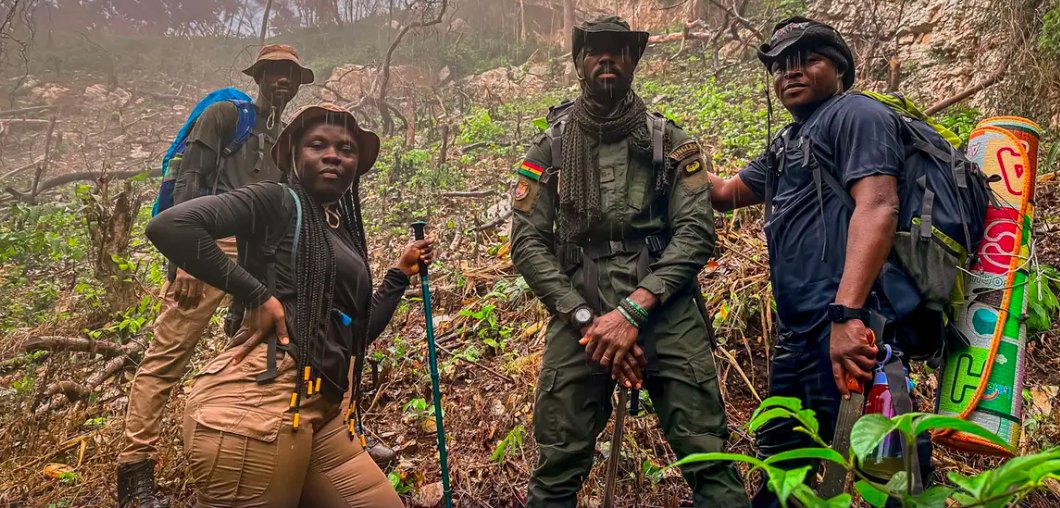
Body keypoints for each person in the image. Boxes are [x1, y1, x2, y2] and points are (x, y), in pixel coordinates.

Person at [510, 16, 750, 508]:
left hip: (666, 306)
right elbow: (528, 243)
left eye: (618, 49)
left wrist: (634, 311)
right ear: (578, 61)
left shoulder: (670, 141)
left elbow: (696, 232)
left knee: (709, 460)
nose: (606, 58)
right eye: (594, 50)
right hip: (580, 310)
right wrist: (587, 320)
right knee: (556, 466)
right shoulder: (550, 146)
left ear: (633, 60)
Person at [145, 103, 433, 507]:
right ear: (297, 155)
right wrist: (256, 293)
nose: (333, 154)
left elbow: (356, 334)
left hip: (321, 412)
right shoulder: (275, 200)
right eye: (318, 145)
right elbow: (169, 226)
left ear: (356, 165)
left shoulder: (339, 228)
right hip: (256, 408)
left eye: (346, 149)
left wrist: (399, 275)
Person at [705, 17, 932, 507]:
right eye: (783, 66)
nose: (793, 72)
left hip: (859, 332)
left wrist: (846, 316)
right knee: (785, 477)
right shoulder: (789, 144)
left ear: (840, 69)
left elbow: (878, 206)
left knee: (890, 480)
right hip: (800, 340)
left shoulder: (855, 115)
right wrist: (672, 154)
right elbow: (725, 194)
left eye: (809, 60)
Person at [117, 44, 312, 507]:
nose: (282, 80)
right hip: (210, 245)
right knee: (169, 353)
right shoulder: (226, 115)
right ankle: (134, 469)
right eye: (275, 71)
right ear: (260, 75)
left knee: (245, 348)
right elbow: (190, 179)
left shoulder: (283, 134)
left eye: (290, 73)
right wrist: (185, 260)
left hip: (256, 256)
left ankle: (231, 446)